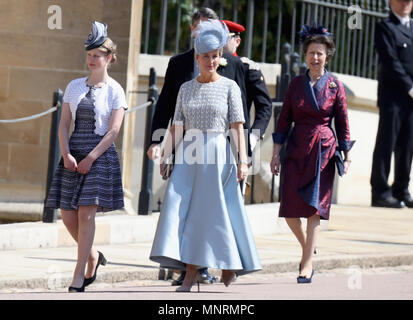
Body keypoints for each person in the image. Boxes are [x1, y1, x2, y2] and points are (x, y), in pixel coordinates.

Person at [149, 19, 262, 293]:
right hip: (189, 156)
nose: (211, 61)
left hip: (217, 155)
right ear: (197, 58)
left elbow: (237, 126)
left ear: (220, 57)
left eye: (215, 56)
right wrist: (166, 156)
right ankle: (189, 273)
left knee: (217, 214)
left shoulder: (230, 87)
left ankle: (228, 262)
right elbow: (177, 126)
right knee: (185, 212)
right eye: (206, 57)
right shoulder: (186, 88)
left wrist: (243, 161)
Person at [45, 21, 128, 292]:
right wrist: (66, 153)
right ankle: (92, 255)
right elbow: (63, 123)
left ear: (109, 59)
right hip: (73, 153)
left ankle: (79, 275)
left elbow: (114, 130)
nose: (92, 60)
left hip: (99, 156)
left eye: (97, 56)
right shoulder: (73, 86)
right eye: (89, 55)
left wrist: (91, 157)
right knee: (67, 214)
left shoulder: (116, 90)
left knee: (85, 215)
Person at [270, 24, 354, 283]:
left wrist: (346, 154)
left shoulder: (335, 86)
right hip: (296, 148)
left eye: (320, 53)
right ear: (305, 55)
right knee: (290, 210)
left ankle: (306, 264)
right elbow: (284, 120)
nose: (315, 57)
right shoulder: (295, 85)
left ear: (327, 55)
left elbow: (343, 122)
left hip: (324, 150)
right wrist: (275, 153)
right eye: (311, 53)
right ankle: (308, 245)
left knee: (314, 209)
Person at [370, 0, 413, 208]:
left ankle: (401, 189)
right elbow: (390, 60)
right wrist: (409, 86)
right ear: (390, 2)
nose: (405, 4)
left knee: (408, 144)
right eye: (401, 0)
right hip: (393, 96)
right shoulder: (385, 27)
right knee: (386, 143)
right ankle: (380, 192)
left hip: (411, 98)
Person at [222, 20, 273, 154]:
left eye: (225, 37)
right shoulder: (206, 65)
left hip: (237, 139)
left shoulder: (247, 68)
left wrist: (253, 136)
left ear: (237, 41)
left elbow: (264, 106)